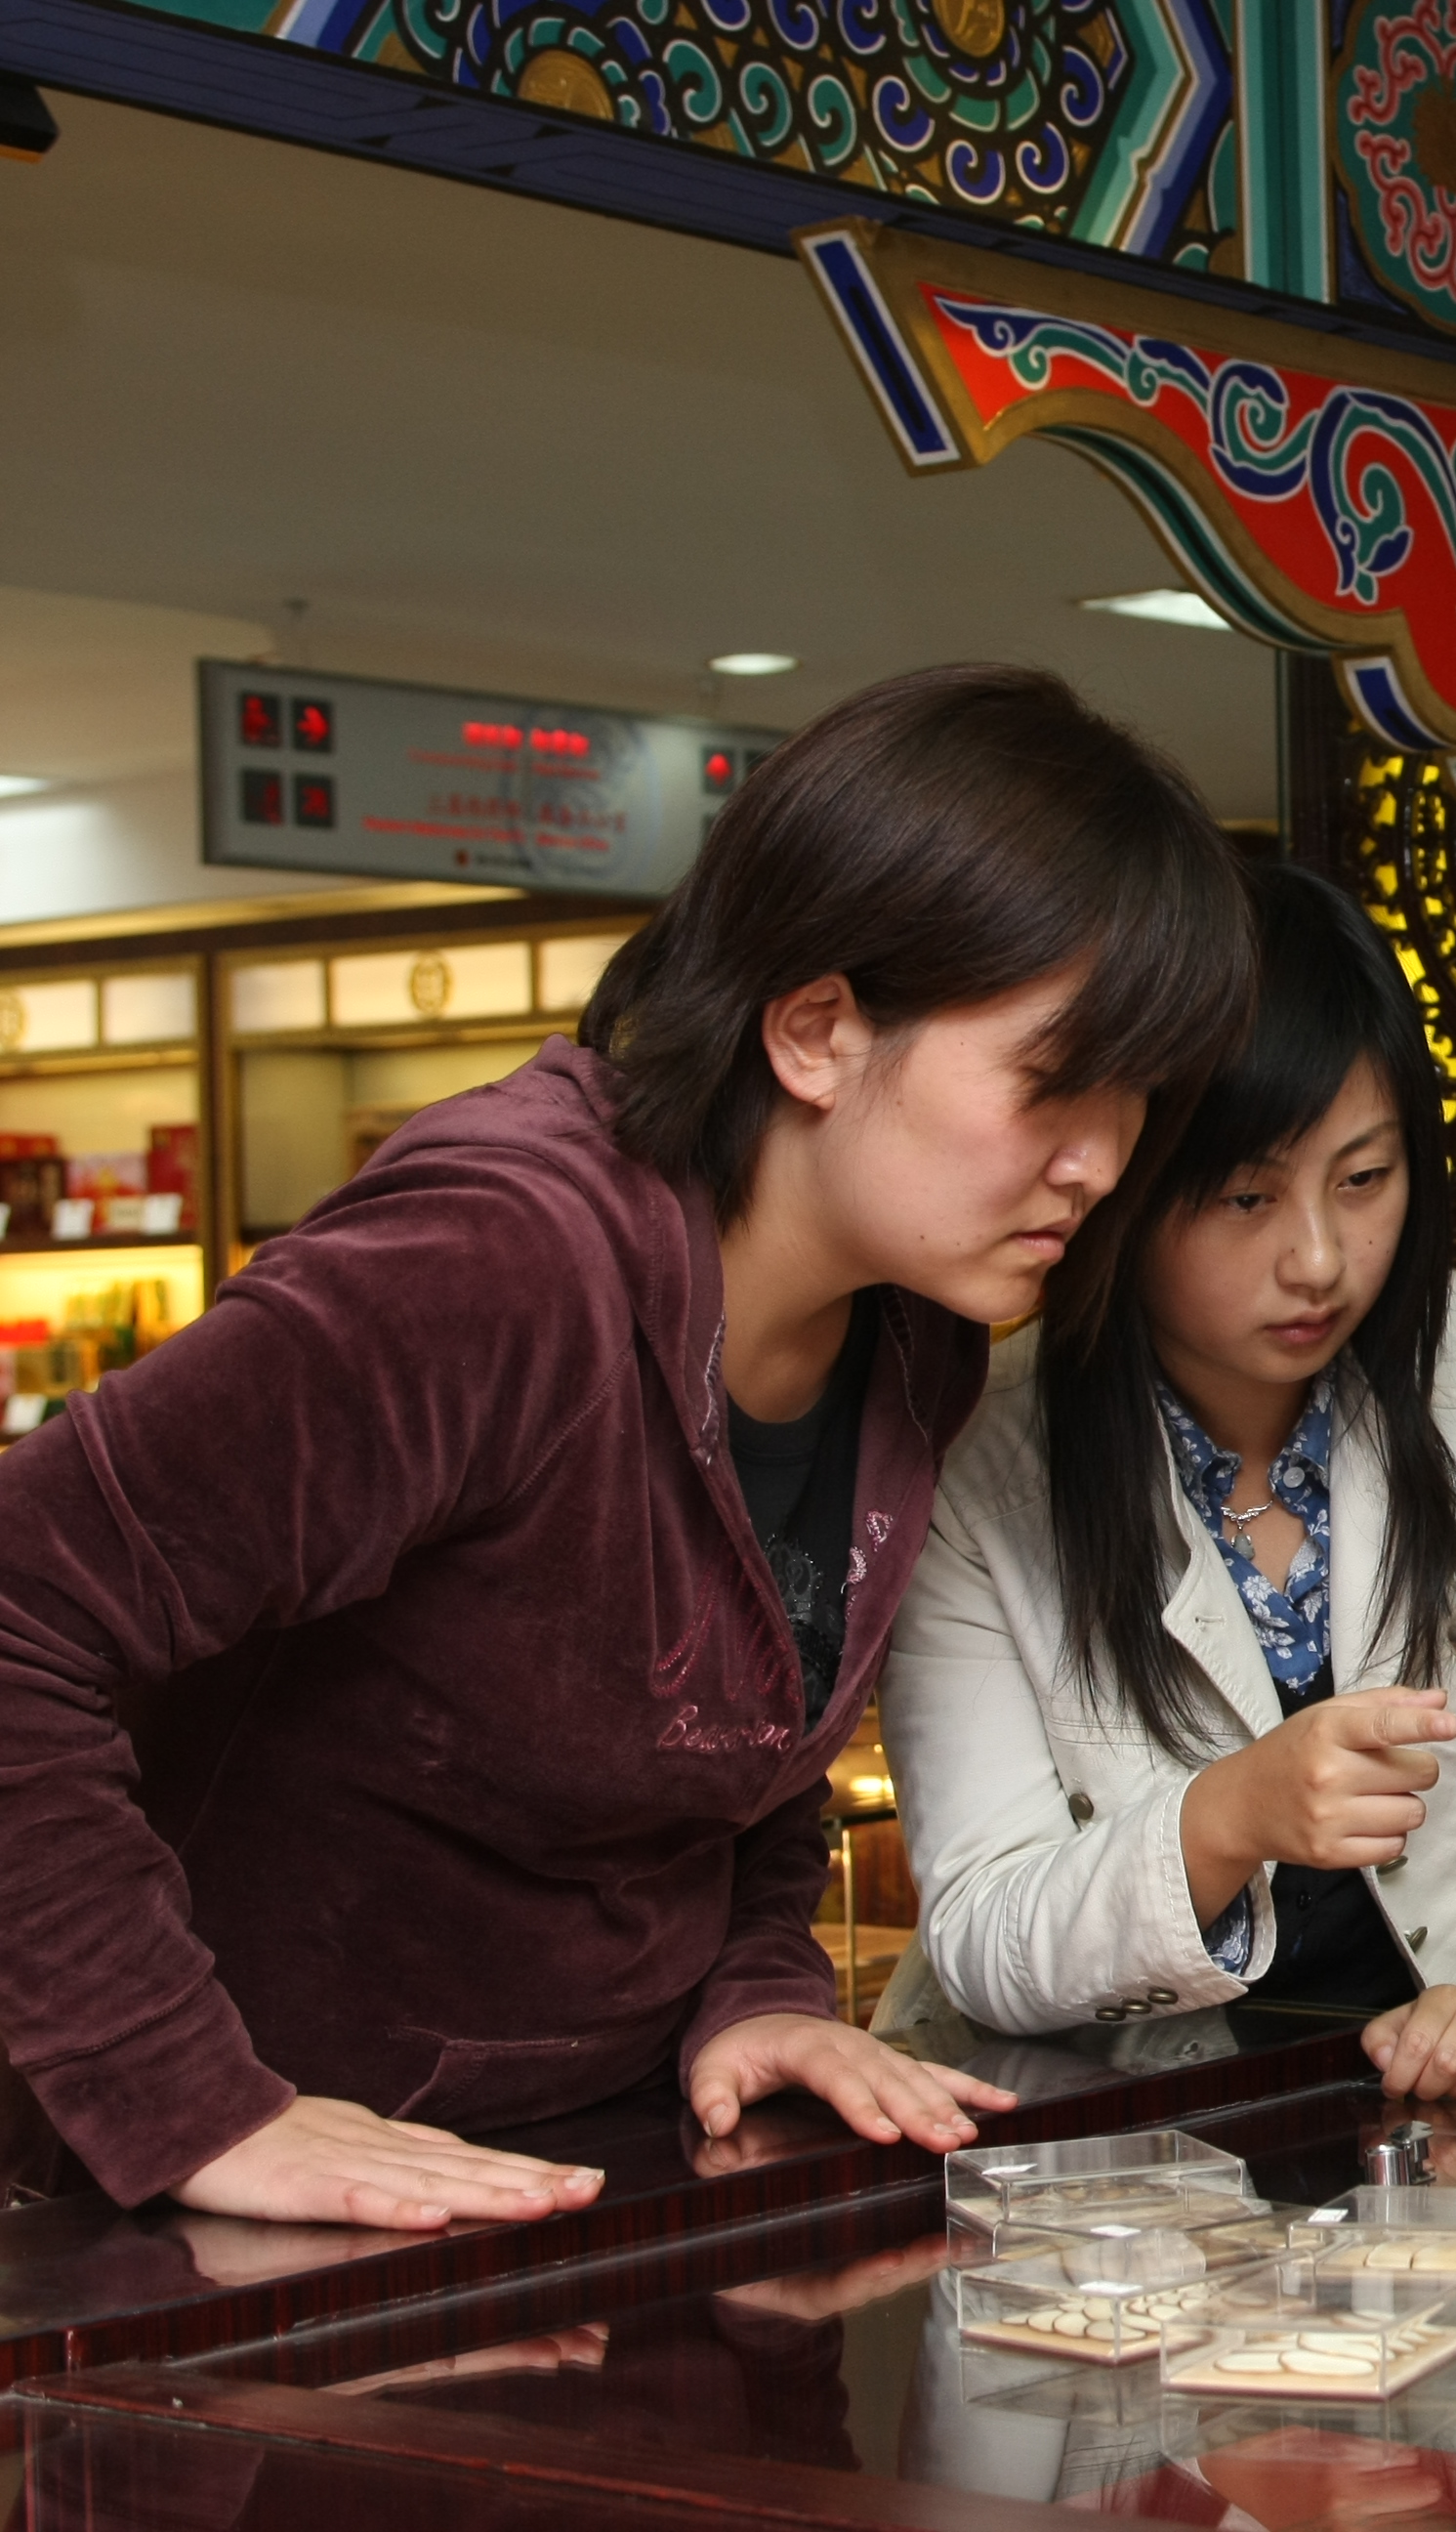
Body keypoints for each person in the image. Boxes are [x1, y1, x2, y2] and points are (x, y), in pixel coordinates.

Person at [0, 664, 1255, 2227]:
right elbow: (19, 1610)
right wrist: (186, 2101)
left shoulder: (912, 1326)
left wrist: (757, 1986)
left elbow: (752, 1729)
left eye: (1138, 1098)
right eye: (1057, 1084)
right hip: (249, 2206)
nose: (1102, 1162)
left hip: (610, 2168)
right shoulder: (497, 1266)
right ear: (817, 1030)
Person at [883, 860, 1456, 2094]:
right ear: (1119, 1183)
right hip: (1119, 2142)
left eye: (1364, 1180)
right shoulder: (981, 1451)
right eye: (1248, 1195)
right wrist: (1225, 1819)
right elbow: (981, 1934)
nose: (1319, 1259)